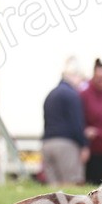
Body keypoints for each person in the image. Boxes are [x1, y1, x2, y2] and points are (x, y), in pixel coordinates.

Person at [40, 57, 89, 186]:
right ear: (75, 76)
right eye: (81, 79)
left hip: (47, 143)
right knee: (72, 185)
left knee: (53, 188)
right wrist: (84, 145)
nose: (81, 83)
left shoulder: (51, 94)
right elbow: (77, 123)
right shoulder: (72, 95)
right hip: (66, 145)